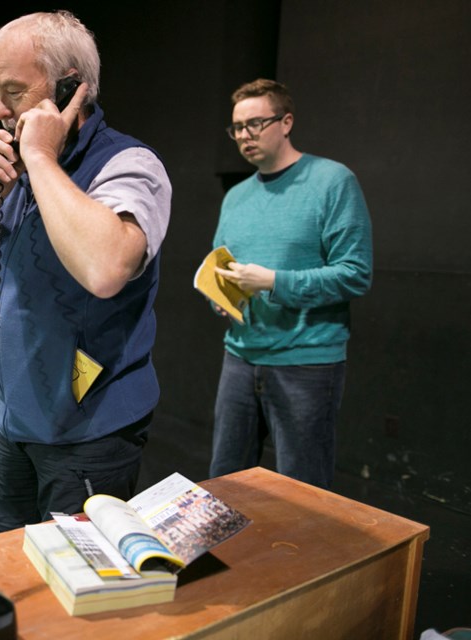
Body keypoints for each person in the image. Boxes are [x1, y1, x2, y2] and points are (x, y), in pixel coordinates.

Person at [0, 11, 172, 533]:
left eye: (14, 92)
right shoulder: (12, 171)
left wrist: (41, 158)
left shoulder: (128, 164)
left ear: (70, 90)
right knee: (12, 572)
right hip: (16, 424)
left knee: (72, 591)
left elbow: (107, 269)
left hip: (89, 434)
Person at [208, 78, 373, 489]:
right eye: (237, 128)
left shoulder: (332, 182)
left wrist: (273, 283)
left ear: (286, 122)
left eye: (255, 124)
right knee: (225, 485)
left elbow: (355, 273)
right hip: (240, 357)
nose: (244, 136)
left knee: (304, 491)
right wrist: (222, 296)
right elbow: (220, 266)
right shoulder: (237, 197)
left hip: (306, 362)